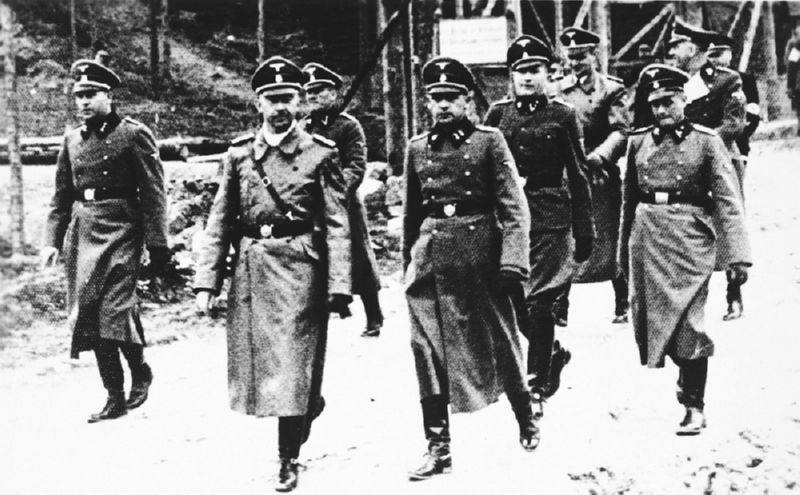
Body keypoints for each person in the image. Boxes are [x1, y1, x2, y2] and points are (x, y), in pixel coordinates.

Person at [193, 56, 352, 493]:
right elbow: (219, 219)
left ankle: (288, 458)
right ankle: (305, 404)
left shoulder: (321, 153)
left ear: (301, 101)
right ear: (258, 103)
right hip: (252, 269)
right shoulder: (239, 154)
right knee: (267, 366)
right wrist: (206, 282)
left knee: (291, 361)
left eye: (288, 98)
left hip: (301, 269)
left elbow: (338, 223)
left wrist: (340, 286)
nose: (280, 108)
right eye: (271, 100)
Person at [403, 56, 538, 481]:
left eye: (450, 98)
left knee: (499, 338)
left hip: (480, 255)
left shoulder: (489, 141)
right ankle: (438, 446)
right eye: (435, 98)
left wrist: (514, 260)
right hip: (430, 259)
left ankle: (524, 412)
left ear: (466, 100)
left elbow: (514, 207)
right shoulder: (416, 148)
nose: (442, 106)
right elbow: (411, 213)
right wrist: (409, 261)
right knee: (425, 348)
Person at [619, 64, 751, 436]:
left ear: (683, 100)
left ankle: (694, 404)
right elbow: (627, 201)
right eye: (655, 103)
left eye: (668, 102)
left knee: (690, 321)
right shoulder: (638, 142)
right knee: (651, 321)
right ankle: (685, 376)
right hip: (647, 237)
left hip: (691, 239)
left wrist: (738, 255)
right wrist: (621, 255)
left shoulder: (707, 141)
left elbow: (728, 199)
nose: (661, 110)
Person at [40, 54, 168, 423]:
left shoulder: (132, 134)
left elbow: (154, 192)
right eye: (78, 95)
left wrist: (158, 244)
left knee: (115, 308)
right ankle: (113, 395)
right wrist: (52, 240)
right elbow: (61, 196)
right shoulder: (71, 140)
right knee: (90, 315)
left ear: (108, 95)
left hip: (124, 228)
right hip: (83, 232)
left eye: (90, 94)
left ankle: (139, 368)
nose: (82, 102)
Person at [484, 36, 594, 411]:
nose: (528, 78)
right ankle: (554, 355)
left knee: (539, 304)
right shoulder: (498, 116)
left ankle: (536, 386)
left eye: (535, 71)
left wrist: (584, 229)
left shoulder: (563, 115)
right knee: (516, 305)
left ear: (548, 73)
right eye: (521, 71)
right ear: (511, 76)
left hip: (550, 217)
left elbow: (578, 175)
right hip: (510, 222)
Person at [300, 62, 384, 337]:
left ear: (334, 93)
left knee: (358, 258)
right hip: (310, 206)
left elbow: (356, 167)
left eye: (321, 91)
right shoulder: (302, 128)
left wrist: (334, 195)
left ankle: (374, 315)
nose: (314, 96)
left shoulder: (348, 127)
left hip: (345, 205)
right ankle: (336, 305)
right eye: (309, 92)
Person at [554, 27, 630, 326]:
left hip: (599, 176)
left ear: (593, 56)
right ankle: (561, 304)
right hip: (567, 176)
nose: (575, 64)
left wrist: (600, 156)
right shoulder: (557, 91)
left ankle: (622, 299)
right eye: (570, 58)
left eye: (580, 57)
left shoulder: (611, 90)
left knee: (610, 234)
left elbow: (621, 130)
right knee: (566, 238)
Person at [706, 34, 761, 320]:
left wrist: (710, 141)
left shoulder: (741, 80)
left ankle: (734, 292)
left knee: (730, 220)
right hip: (697, 162)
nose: (717, 60)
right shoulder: (693, 84)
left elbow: (748, 120)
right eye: (712, 54)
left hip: (730, 153)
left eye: (721, 54)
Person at [786, 24, 800, 135]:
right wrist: (790, 86)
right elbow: (791, 66)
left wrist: (790, 86)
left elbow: (791, 66)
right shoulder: (796, 47)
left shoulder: (796, 47)